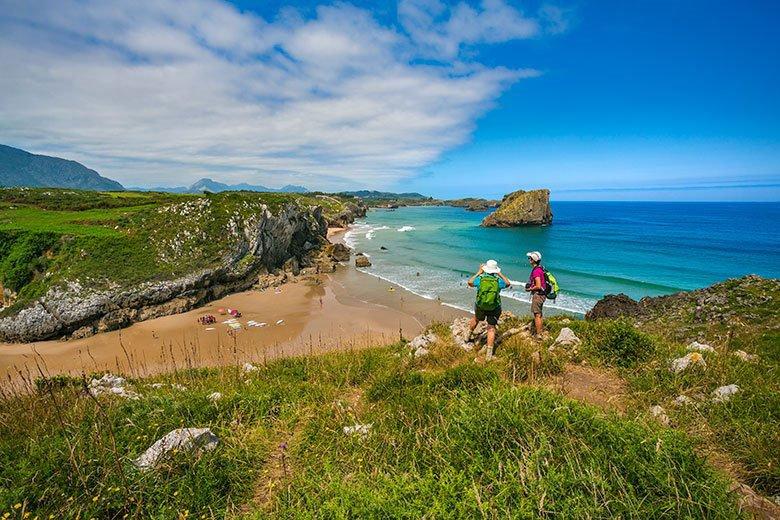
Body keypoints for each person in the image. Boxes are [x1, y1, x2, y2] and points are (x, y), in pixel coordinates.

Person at [467, 259, 512, 360]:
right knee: (491, 328)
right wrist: (499, 273)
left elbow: (469, 282)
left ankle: (468, 336)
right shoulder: (498, 281)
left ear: (485, 269)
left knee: (476, 319)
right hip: (494, 307)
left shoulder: (480, 279)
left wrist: (479, 272)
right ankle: (489, 354)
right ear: (495, 271)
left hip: (480, 306)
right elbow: (508, 283)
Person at [525, 251, 546, 338]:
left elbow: (538, 285)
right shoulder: (540, 268)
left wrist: (530, 289)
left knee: (537, 314)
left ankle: (538, 334)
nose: (529, 259)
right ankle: (540, 331)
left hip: (538, 294)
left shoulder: (536, 271)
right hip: (542, 294)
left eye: (529, 258)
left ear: (533, 260)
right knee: (539, 314)